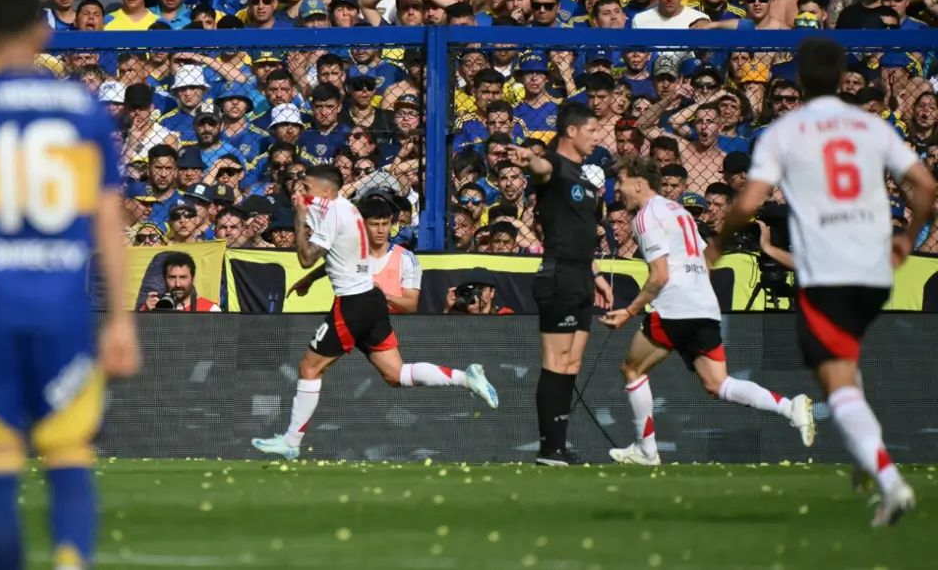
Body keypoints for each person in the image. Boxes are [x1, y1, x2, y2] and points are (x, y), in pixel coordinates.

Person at [0, 0, 140, 570]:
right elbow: (109, 223)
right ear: (44, 34)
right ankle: (71, 560)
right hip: (63, 304)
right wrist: (120, 318)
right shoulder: (85, 109)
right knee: (67, 447)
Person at [707, 37, 936, 527]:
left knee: (835, 381)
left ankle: (891, 483)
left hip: (827, 273)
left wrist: (716, 244)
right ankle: (865, 453)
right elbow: (928, 186)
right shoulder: (871, 126)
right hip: (876, 269)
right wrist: (908, 238)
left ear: (799, 82)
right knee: (846, 368)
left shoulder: (784, 132)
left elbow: (747, 205)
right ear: (842, 79)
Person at [251, 164, 498, 460]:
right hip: (370, 300)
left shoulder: (333, 214)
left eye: (308, 186)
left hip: (352, 303)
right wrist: (312, 278)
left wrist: (300, 217)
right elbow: (339, 255)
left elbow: (305, 257)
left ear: (326, 191)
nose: (302, 190)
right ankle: (465, 378)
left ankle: (291, 442)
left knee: (309, 368)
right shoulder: (346, 209)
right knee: (396, 374)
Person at [600, 156, 815, 466]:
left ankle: (646, 450)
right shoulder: (679, 211)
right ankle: (789, 407)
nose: (617, 189)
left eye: (620, 181)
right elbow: (706, 260)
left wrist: (629, 311)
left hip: (674, 306)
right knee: (719, 384)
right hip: (703, 304)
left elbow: (659, 275)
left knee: (632, 369)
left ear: (639, 182)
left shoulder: (646, 217)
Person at [505, 102, 614, 466]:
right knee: (555, 361)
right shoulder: (554, 165)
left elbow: (583, 233)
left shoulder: (586, 177)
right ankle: (548, 447)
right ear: (572, 131)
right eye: (593, 130)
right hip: (559, 274)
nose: (597, 137)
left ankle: (560, 445)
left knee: (572, 363)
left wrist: (596, 275)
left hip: (583, 275)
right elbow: (539, 167)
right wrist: (527, 157)